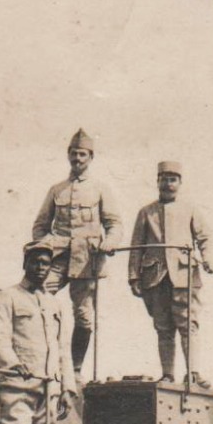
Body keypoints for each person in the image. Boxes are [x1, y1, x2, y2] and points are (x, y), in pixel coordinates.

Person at [0, 240, 78, 424]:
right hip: (18, 386)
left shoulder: (56, 304)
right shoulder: (9, 296)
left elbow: (64, 348)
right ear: (25, 263)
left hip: (49, 388)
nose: (40, 267)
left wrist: (67, 388)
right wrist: (13, 363)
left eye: (46, 263)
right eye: (35, 262)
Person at [32, 128, 123, 380]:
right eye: (74, 154)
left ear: (90, 157)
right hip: (57, 259)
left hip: (86, 262)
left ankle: (74, 369)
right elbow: (40, 225)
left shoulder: (100, 189)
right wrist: (43, 249)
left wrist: (110, 242)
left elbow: (114, 224)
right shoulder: (56, 189)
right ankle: (42, 363)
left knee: (84, 317)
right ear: (68, 156)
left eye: (82, 154)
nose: (78, 159)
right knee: (37, 302)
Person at [128, 161, 213, 383]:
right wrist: (133, 277)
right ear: (157, 181)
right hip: (155, 277)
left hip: (184, 275)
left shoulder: (191, 210)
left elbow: (205, 238)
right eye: (164, 179)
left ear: (180, 183)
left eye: (172, 180)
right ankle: (167, 374)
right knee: (163, 326)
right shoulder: (145, 212)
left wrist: (209, 259)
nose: (168, 184)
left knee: (188, 323)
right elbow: (136, 246)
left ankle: (193, 373)